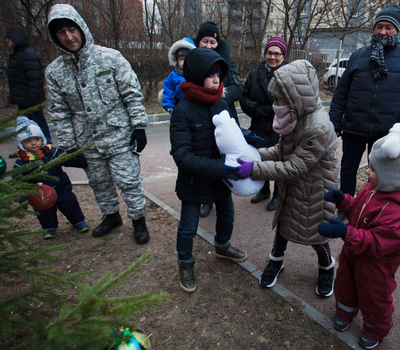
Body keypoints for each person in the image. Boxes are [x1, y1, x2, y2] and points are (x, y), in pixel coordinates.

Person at [45, 4, 150, 245]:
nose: (69, 37)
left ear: (81, 28)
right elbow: (60, 112)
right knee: (99, 183)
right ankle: (112, 217)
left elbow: (131, 94)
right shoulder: (54, 72)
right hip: (86, 141)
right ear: (55, 36)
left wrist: (139, 126)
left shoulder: (110, 57)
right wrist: (70, 147)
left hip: (118, 135)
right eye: (62, 33)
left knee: (129, 181)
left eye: (72, 29)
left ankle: (139, 222)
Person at [237, 60, 340, 297]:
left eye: (278, 100)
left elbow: (294, 167)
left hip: (316, 189)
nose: (274, 105)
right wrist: (253, 154)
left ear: (294, 98)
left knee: (315, 231)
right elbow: (280, 151)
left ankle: (327, 267)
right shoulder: (297, 116)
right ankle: (276, 260)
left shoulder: (317, 127)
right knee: (284, 224)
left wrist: (254, 169)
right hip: (295, 186)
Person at [170, 48, 247, 293]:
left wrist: (247, 138)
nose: (217, 80)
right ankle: (185, 262)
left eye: (219, 75)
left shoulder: (221, 102)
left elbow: (229, 134)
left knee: (227, 216)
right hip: (195, 182)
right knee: (188, 226)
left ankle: (222, 246)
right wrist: (220, 167)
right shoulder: (182, 111)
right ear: (197, 74)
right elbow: (182, 157)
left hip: (221, 179)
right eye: (212, 74)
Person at [318, 123, 400, 349]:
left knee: (375, 297)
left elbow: (376, 243)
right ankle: (345, 312)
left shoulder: (396, 211)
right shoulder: (373, 189)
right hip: (353, 252)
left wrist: (345, 232)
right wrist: (343, 201)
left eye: (372, 170)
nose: (368, 173)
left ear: (392, 177)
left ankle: (376, 328)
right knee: (345, 283)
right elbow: (358, 210)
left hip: (377, 265)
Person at [329, 3, 400, 222]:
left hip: (386, 131)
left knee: (380, 173)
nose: (383, 31)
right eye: (379, 26)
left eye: (389, 27)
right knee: (348, 170)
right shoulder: (359, 56)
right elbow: (341, 92)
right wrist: (334, 122)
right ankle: (345, 207)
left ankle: (374, 210)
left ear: (397, 31)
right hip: (354, 126)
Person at [195, 20, 244, 218]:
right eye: (204, 41)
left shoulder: (227, 61)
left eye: (212, 42)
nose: (208, 46)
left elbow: (238, 87)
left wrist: (218, 94)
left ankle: (224, 197)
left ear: (218, 44)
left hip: (224, 114)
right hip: (200, 117)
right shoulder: (193, 60)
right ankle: (206, 200)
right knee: (205, 157)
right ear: (198, 43)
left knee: (224, 156)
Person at [13, 116, 88, 239]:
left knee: (69, 204)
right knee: (44, 211)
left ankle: (78, 221)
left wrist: (78, 160)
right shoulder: (21, 163)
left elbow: (66, 158)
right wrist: (21, 196)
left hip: (61, 187)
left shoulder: (52, 152)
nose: (33, 143)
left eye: (36, 139)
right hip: (39, 193)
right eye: (28, 141)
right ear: (21, 144)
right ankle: (49, 228)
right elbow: (19, 180)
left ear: (42, 138)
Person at [239, 36, 287, 212]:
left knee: (279, 162)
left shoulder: (289, 75)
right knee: (260, 159)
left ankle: (277, 195)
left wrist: (267, 109)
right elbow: (243, 98)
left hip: (281, 127)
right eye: (269, 53)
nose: (272, 57)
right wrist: (255, 109)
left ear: (283, 56)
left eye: (277, 54)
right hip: (258, 125)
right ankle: (264, 190)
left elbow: (291, 103)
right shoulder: (253, 74)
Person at [6, 26, 51, 158]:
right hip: (23, 99)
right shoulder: (18, 54)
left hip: (31, 99)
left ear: (16, 38)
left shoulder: (28, 55)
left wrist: (33, 99)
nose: (7, 41)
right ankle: (24, 149)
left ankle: (47, 146)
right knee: (24, 124)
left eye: (9, 38)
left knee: (38, 122)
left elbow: (35, 79)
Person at [162, 37, 195, 114]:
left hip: (194, 106)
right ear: (176, 61)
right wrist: (169, 106)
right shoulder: (173, 76)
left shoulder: (196, 74)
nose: (185, 62)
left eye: (187, 58)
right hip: (179, 105)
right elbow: (168, 91)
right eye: (181, 59)